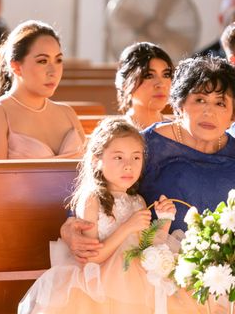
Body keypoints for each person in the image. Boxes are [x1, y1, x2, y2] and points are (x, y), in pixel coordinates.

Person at [18, 118, 201, 313]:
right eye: (118, 157)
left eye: (136, 157)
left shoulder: (137, 200)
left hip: (136, 282)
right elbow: (91, 258)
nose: (128, 165)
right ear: (97, 161)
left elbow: (146, 247)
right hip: (98, 286)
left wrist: (164, 220)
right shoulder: (92, 199)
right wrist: (127, 227)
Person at [62, 56, 235, 260]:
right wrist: (69, 228)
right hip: (154, 263)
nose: (209, 112)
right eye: (200, 100)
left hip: (221, 269)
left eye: (220, 103)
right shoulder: (146, 146)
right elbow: (96, 188)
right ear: (179, 105)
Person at [0, 20, 85, 159]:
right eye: (42, 61)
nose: (53, 71)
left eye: (58, 60)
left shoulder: (68, 113)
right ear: (16, 67)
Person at [115, 42, 174, 130]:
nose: (161, 84)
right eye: (149, 76)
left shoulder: (180, 133)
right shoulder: (115, 134)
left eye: (166, 75)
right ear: (125, 84)